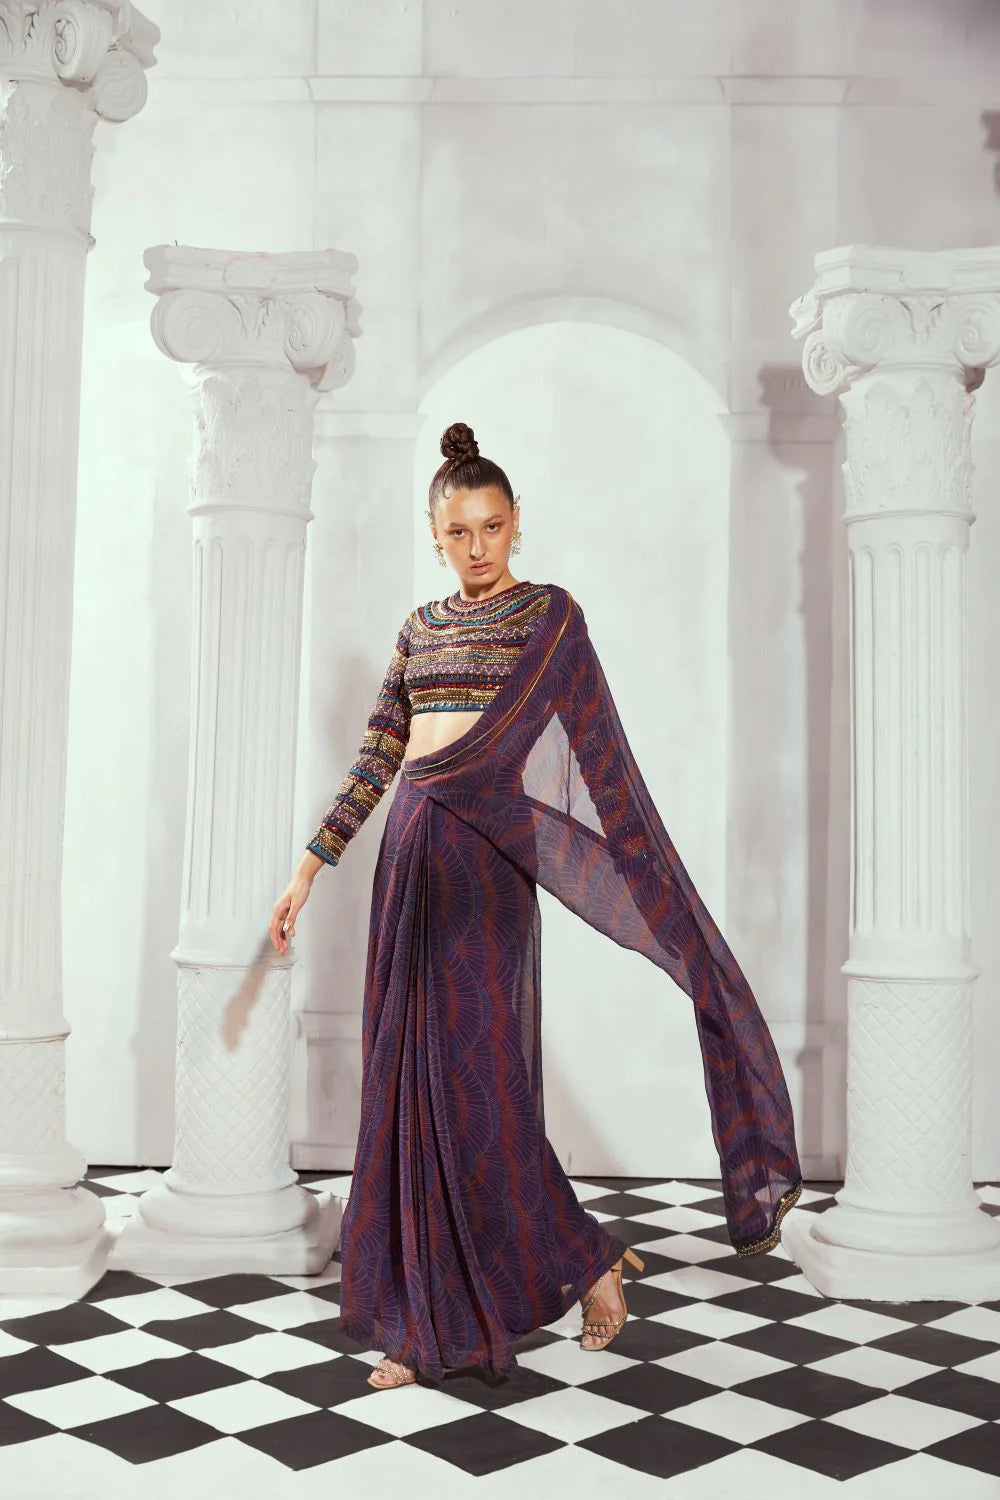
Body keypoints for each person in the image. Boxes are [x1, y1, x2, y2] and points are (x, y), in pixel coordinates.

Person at [270, 422, 803, 1391]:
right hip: (409, 857)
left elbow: (598, 762)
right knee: (408, 1080)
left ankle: (574, 1262)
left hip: (486, 865)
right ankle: (431, 1310)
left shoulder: (548, 617)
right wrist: (311, 865)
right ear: (433, 532)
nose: (477, 548)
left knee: (481, 1082)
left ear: (517, 522)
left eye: (492, 527)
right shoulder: (419, 629)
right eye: (458, 532)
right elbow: (381, 751)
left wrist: (633, 878)